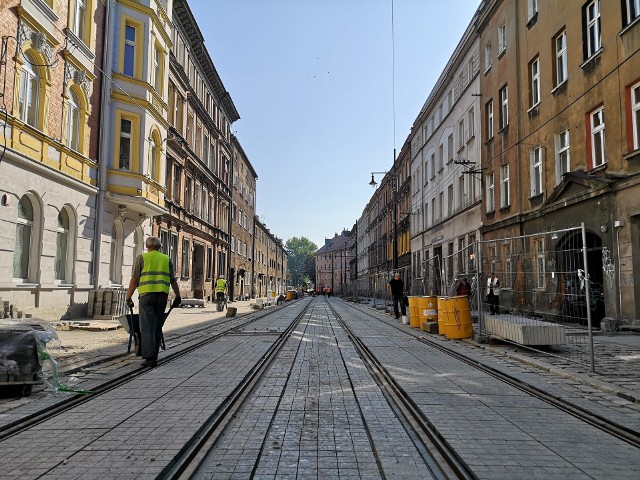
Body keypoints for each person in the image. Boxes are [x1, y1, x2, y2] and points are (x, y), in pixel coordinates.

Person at [127, 236, 181, 367]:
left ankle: (150, 358)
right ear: (159, 246)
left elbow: (135, 279)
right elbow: (173, 280)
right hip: (162, 297)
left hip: (146, 296)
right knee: (157, 326)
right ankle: (154, 355)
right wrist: (178, 296)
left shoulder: (141, 258)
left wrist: (128, 297)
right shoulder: (166, 259)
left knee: (146, 327)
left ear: (148, 246)